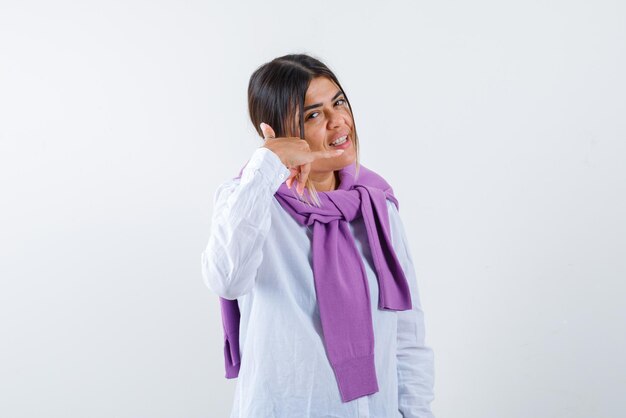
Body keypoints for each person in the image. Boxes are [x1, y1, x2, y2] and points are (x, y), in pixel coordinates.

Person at [201, 53, 435, 418]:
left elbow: (407, 337)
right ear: (280, 132)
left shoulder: (377, 208)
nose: (338, 121)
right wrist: (267, 164)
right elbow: (226, 279)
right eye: (313, 114)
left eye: (338, 103)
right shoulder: (250, 202)